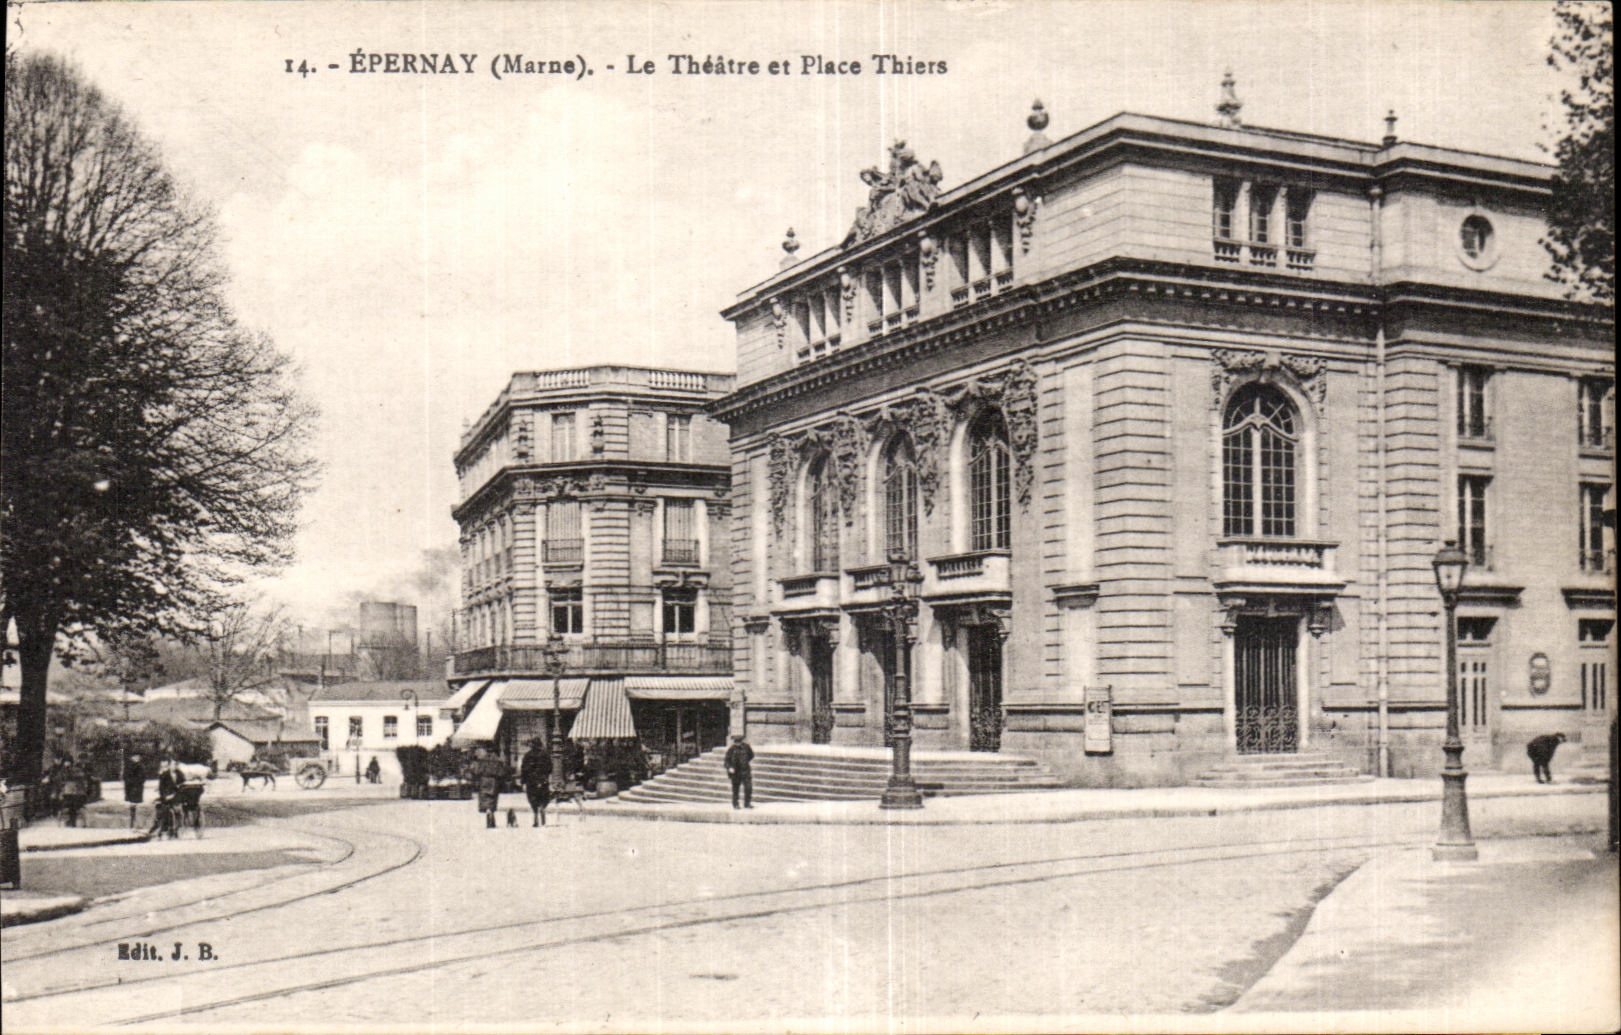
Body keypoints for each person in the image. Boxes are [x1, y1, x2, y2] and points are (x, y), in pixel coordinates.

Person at [469, 747, 509, 830]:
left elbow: (477, 771)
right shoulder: (498, 760)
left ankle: (488, 812)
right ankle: (491, 813)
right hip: (494, 781)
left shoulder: (482, 760)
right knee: (492, 798)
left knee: (485, 798)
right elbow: (502, 773)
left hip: (484, 780)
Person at [519, 738, 552, 828]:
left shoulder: (527, 755)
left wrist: (523, 782)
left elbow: (523, 770)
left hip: (531, 781)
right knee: (543, 798)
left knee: (533, 799)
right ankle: (542, 810)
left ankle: (535, 817)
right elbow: (550, 768)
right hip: (543, 780)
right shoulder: (545, 755)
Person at [724, 734, 754, 810]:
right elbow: (726, 761)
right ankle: (735, 804)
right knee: (736, 789)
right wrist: (730, 768)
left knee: (748, 788)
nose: (737, 743)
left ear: (741, 741)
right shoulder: (731, 749)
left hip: (745, 771)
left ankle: (747, 803)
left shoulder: (746, 747)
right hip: (736, 772)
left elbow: (751, 755)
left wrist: (745, 762)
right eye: (736, 742)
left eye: (739, 742)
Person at [58, 757, 87, 828]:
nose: (66, 764)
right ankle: (69, 820)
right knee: (68, 805)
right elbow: (59, 780)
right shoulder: (62, 771)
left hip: (75, 792)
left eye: (68, 762)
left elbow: (81, 778)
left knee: (73, 805)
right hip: (67, 792)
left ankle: (72, 820)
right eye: (65, 762)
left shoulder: (75, 770)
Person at [123, 752, 146, 829]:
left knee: (136, 804)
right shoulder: (128, 766)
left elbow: (143, 777)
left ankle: (135, 823)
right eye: (135, 757)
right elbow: (125, 776)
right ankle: (132, 822)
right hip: (131, 787)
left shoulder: (141, 766)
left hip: (137, 787)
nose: (136, 758)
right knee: (132, 804)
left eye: (138, 757)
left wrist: (138, 782)